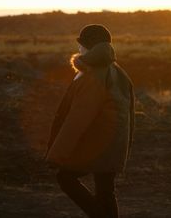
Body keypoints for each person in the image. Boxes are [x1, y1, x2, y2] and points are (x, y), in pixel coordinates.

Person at [45, 24, 135, 218]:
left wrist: (56, 154)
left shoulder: (91, 75)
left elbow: (78, 118)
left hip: (97, 144)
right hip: (114, 143)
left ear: (90, 47)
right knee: (105, 189)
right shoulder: (119, 72)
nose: (78, 49)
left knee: (65, 177)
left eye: (82, 44)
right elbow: (130, 114)